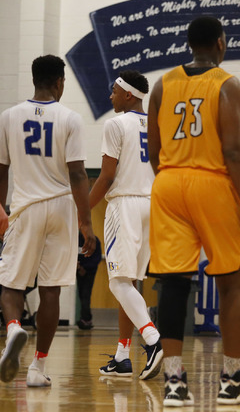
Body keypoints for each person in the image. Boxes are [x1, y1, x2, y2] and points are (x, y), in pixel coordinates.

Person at [147, 16, 240, 407]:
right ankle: (231, 380)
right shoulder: (227, 83)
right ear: (220, 43)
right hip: (211, 182)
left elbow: (154, 147)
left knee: (173, 284)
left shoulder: (162, 83)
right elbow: (232, 149)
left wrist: (170, 178)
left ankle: (175, 382)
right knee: (231, 280)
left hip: (168, 181)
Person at [0, 55, 96, 387]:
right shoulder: (70, 118)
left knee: (11, 284)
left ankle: (14, 328)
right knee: (51, 289)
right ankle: (37, 370)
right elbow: (78, 173)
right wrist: (86, 222)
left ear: (33, 79)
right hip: (61, 207)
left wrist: (0, 207)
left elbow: (1, 169)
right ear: (59, 82)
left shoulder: (9, 116)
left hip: (25, 205)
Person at [88, 70, 163, 380]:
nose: (111, 96)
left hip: (125, 204)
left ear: (129, 94)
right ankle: (122, 356)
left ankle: (153, 339)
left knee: (117, 282)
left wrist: (81, 211)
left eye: (115, 91)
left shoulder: (115, 124)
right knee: (128, 283)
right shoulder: (158, 125)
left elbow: (105, 176)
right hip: (152, 205)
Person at [76, 233, 102, 330]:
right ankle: (85, 318)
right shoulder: (77, 238)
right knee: (81, 294)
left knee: (86, 294)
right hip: (78, 271)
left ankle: (86, 319)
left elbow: (97, 258)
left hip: (90, 272)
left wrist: (85, 268)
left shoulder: (94, 240)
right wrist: (78, 267)